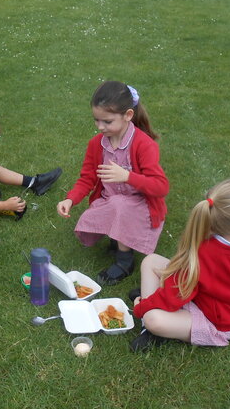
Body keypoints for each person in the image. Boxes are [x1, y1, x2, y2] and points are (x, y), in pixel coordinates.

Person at [129, 178, 230, 352]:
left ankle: (149, 329)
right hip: (197, 297)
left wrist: (141, 308)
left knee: (152, 319)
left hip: (214, 322)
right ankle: (152, 303)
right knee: (151, 261)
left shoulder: (204, 252)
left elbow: (175, 295)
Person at [56, 81, 168, 285]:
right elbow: (87, 178)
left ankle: (125, 261)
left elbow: (161, 187)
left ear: (128, 115)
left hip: (140, 205)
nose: (100, 127)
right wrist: (70, 199)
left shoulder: (143, 144)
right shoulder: (96, 144)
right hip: (111, 200)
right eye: (96, 120)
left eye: (107, 121)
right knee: (113, 205)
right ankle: (118, 238)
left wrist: (127, 176)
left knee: (121, 205)